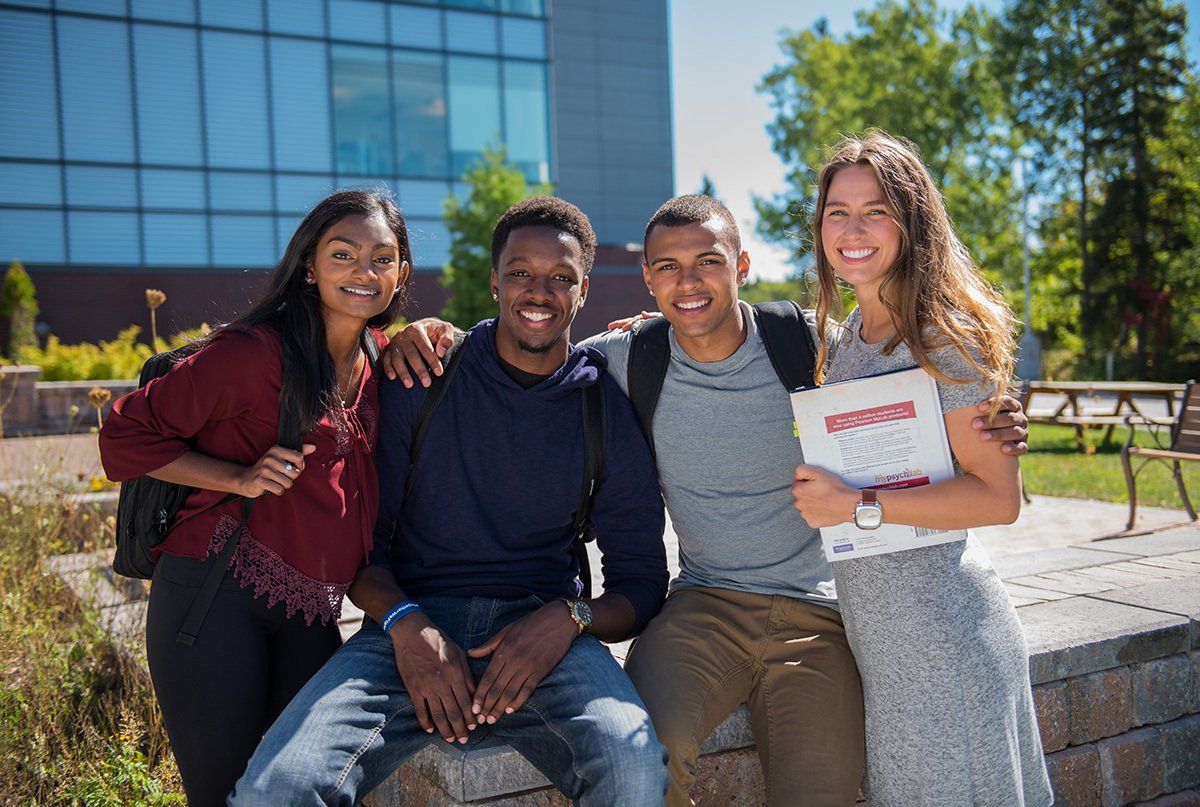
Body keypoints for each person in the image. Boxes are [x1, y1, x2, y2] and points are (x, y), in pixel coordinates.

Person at [386, 194, 1030, 806]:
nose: (688, 283)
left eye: (709, 262)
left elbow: (907, 383)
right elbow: (529, 340)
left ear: (742, 266)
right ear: (647, 280)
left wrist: (989, 417)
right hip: (702, 607)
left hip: (820, 614)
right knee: (646, 755)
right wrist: (428, 334)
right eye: (668, 267)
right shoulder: (625, 358)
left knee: (820, 791)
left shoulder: (811, 345)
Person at [230, 197, 670, 806]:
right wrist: (408, 628)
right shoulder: (422, 375)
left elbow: (643, 581)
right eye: (519, 272)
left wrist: (569, 619)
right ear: (494, 281)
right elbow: (361, 546)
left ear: (584, 289)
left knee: (637, 770)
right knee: (275, 789)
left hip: (544, 636)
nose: (538, 291)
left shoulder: (604, 409)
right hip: (407, 625)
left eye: (560, 277)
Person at [98, 190, 411, 806]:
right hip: (214, 600)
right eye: (343, 254)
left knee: (289, 791)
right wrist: (236, 478)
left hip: (309, 609)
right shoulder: (252, 354)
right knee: (222, 795)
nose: (364, 271)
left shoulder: (378, 359)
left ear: (401, 273)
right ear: (309, 266)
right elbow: (122, 435)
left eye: (383, 257)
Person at [789, 132, 1052, 805]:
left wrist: (855, 504)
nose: (852, 229)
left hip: (947, 638)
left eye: (875, 210)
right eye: (836, 212)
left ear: (911, 221)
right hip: (887, 649)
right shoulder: (850, 334)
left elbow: (998, 499)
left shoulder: (944, 332)